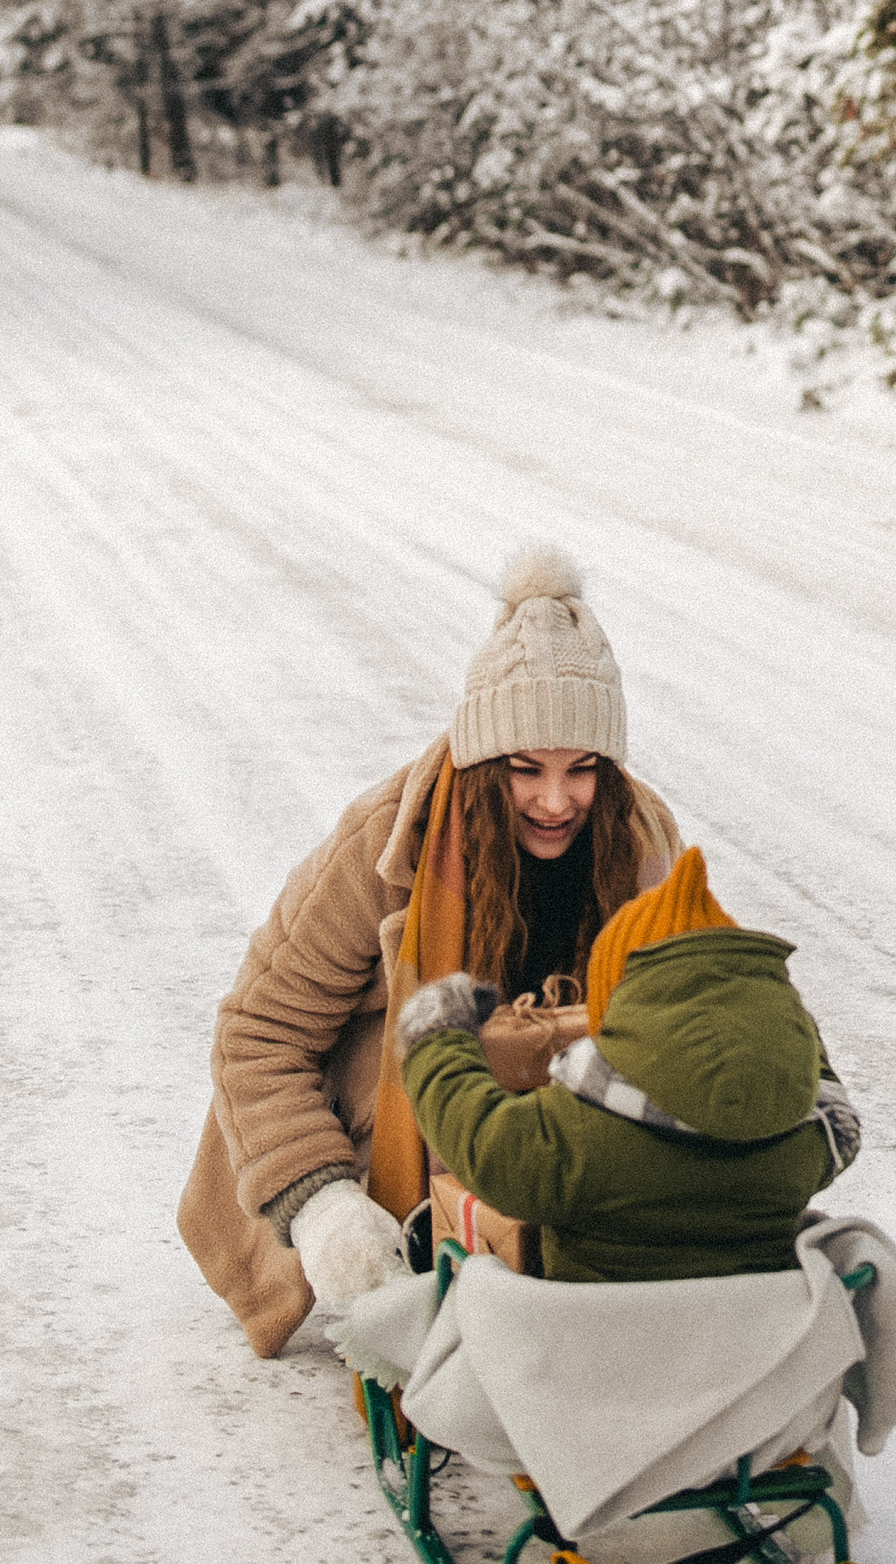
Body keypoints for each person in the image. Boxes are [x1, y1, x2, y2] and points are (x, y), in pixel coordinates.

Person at [178, 549, 681, 1354]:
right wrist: (321, 1206)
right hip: (391, 1123)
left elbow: (684, 1020)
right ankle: (417, 1254)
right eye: (525, 769)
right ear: (483, 761)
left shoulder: (639, 842)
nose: (556, 800)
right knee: (423, 1041)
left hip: (548, 1117)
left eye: (582, 770)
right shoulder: (387, 839)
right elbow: (256, 1033)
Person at [392, 846, 860, 1285]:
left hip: (601, 1358)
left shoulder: (575, 1136)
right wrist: (770, 1024)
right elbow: (832, 1104)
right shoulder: (805, 1143)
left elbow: (476, 1135)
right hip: (750, 1359)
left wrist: (437, 1037)